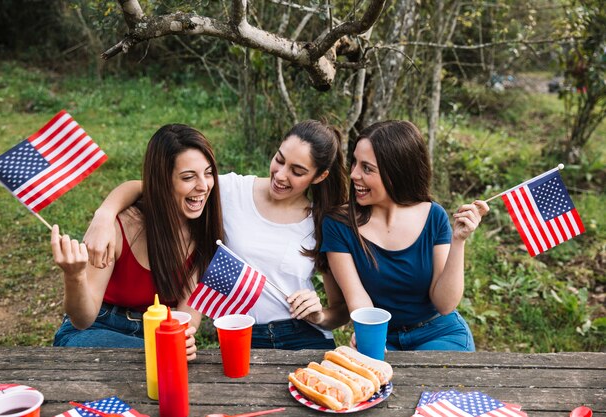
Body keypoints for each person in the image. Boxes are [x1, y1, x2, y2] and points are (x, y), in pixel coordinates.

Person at [83, 120, 350, 350]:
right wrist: (105, 213)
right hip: (244, 332)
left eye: (297, 171)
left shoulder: (322, 220)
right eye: (279, 159)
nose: (280, 174)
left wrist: (319, 315)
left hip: (302, 333)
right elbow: (154, 187)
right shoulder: (230, 190)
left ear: (319, 176)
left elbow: (339, 311)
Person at [51, 124, 224, 360]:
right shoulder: (120, 227)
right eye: (188, 177)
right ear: (163, 181)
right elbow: (82, 320)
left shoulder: (204, 231)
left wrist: (184, 340)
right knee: (150, 356)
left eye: (207, 173)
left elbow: (188, 316)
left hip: (155, 334)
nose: (203, 186)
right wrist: (74, 276)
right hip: (97, 329)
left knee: (162, 360)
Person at [321, 120, 489, 351]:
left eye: (367, 168)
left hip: (441, 335)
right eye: (355, 163)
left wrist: (458, 241)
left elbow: (444, 304)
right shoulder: (338, 224)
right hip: (383, 337)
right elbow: (357, 298)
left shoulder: (434, 216)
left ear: (395, 173)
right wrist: (370, 334)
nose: (354, 175)